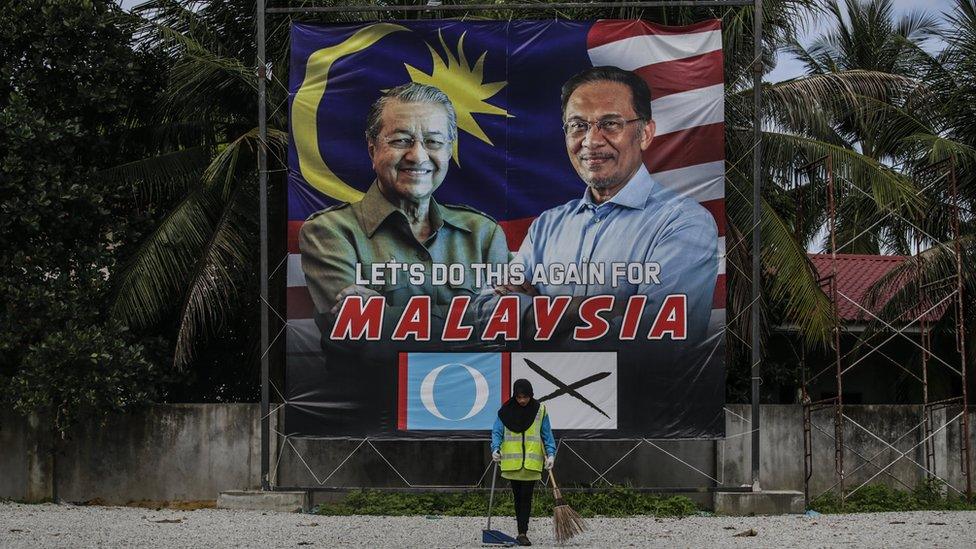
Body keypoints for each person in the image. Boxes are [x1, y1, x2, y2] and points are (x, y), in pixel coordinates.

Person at [297, 82, 510, 434]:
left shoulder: (484, 234)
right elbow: (364, 340)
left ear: (449, 150)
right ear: (372, 149)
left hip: (473, 418)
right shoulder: (330, 232)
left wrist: (387, 316)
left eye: (434, 142)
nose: (418, 155)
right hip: (369, 426)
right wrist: (471, 319)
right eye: (400, 140)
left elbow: (503, 336)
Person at [486, 65, 718, 345]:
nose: (591, 140)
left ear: (644, 134)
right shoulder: (547, 227)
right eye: (578, 126)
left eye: (610, 123)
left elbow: (656, 343)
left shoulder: (682, 223)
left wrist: (536, 316)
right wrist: (588, 311)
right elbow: (486, 314)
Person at [491, 379, 556, 547]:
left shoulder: (540, 410)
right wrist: (495, 448)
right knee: (517, 497)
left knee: (526, 498)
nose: (522, 400)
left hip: (531, 465)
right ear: (515, 395)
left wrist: (551, 455)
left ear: (531, 395)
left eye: (525, 397)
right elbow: (497, 432)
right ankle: (521, 530)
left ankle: (522, 533)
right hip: (512, 465)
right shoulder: (505, 411)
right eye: (519, 397)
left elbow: (547, 434)